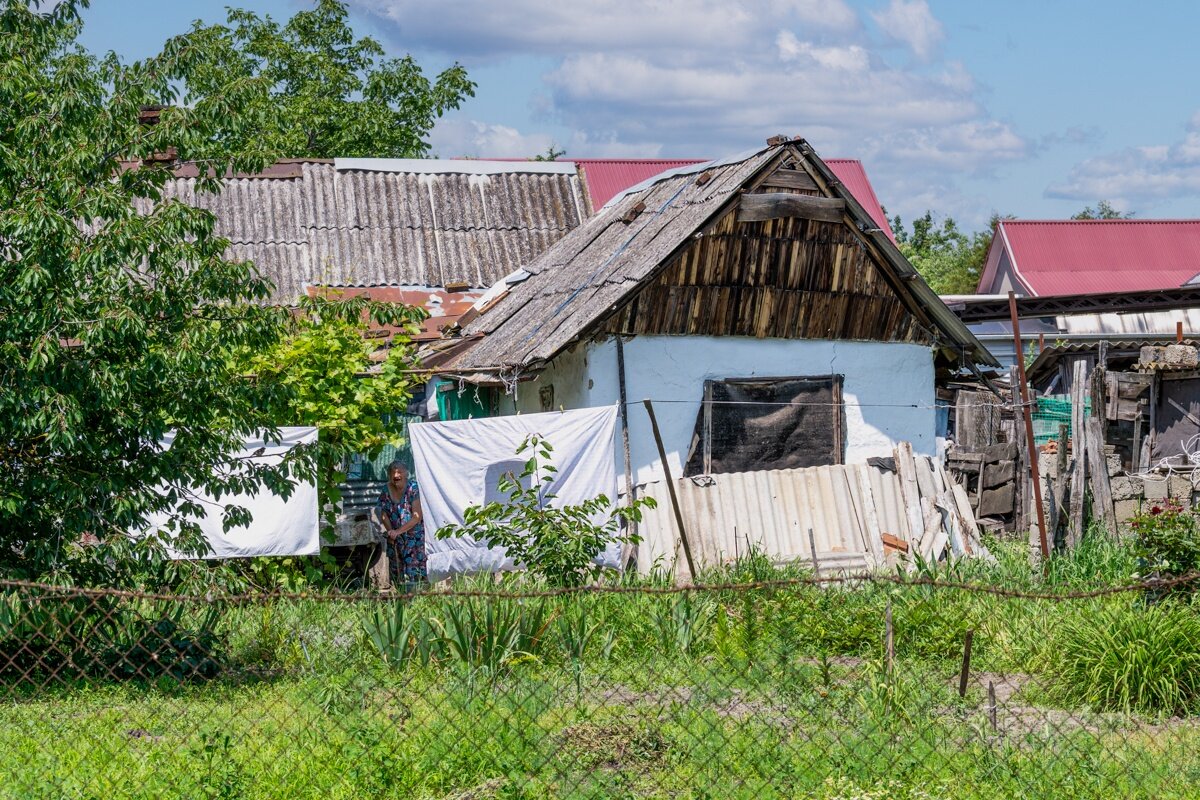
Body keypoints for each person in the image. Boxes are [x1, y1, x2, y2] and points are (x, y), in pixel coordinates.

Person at [376, 460, 426, 587]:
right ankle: (399, 599)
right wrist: (391, 532)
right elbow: (382, 513)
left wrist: (398, 531)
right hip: (395, 538)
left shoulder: (413, 488)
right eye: (393, 472)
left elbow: (417, 516)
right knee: (396, 571)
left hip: (414, 538)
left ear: (406, 474)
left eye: (399, 472)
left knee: (414, 572)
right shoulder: (386, 489)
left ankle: (417, 598)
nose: (396, 475)